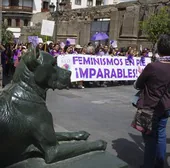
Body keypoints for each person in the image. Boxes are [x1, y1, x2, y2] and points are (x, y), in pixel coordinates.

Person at [134, 34, 170, 168]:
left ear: (159, 49)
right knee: (161, 135)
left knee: (149, 138)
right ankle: (159, 163)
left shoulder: (153, 67)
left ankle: (148, 164)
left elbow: (138, 84)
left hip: (150, 108)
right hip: (166, 107)